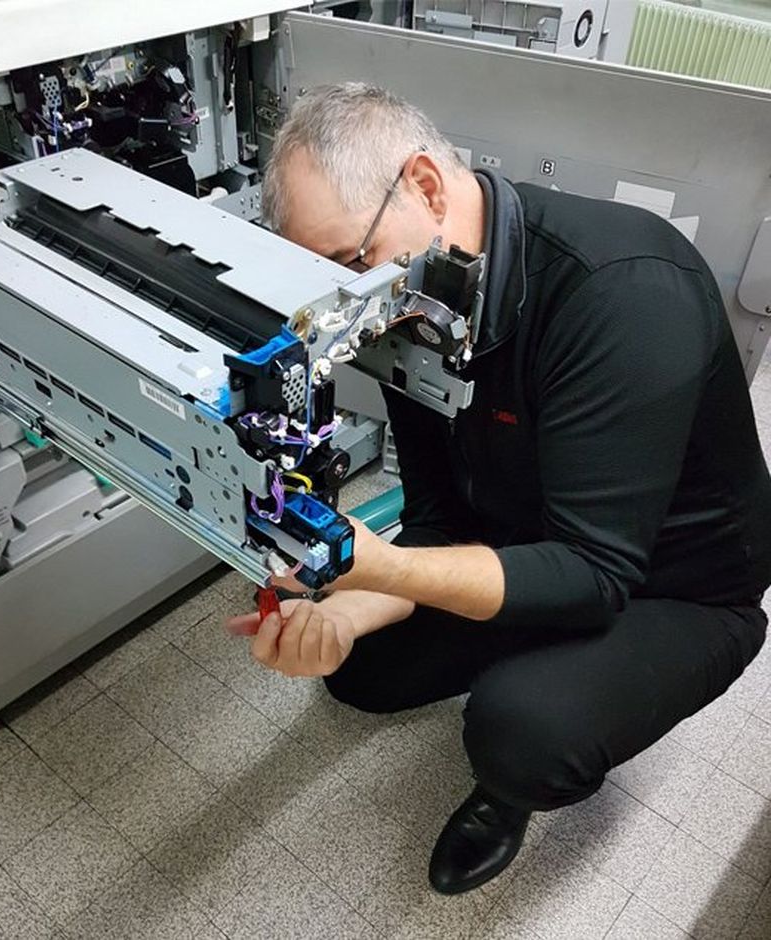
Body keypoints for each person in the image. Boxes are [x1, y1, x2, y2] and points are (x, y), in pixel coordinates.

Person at [226, 82, 771, 895]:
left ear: (427, 186)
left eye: (350, 263)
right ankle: (525, 634)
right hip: (524, 535)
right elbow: (440, 516)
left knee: (522, 727)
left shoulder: (622, 289)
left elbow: (595, 572)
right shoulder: (409, 305)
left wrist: (384, 570)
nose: (352, 307)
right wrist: (344, 606)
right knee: (355, 670)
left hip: (674, 586)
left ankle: (512, 785)